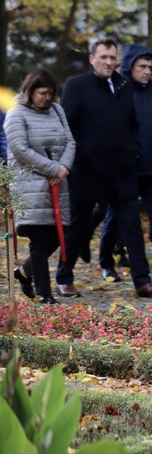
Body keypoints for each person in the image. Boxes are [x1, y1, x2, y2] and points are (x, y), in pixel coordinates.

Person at [57, 37, 152, 299]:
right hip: (87, 170)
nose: (108, 62)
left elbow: (133, 123)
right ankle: (64, 276)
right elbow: (67, 127)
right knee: (79, 226)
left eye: (112, 58)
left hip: (123, 170)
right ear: (92, 59)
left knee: (131, 225)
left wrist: (134, 149)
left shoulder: (124, 85)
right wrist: (77, 157)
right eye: (103, 57)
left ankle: (142, 281)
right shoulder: (76, 86)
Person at [96, 45, 152, 281]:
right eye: (142, 66)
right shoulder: (118, 93)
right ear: (129, 66)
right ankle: (106, 261)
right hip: (126, 170)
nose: (147, 71)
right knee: (116, 218)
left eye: (150, 67)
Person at [5, 70, 75, 304]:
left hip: (57, 182)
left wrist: (62, 166)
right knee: (40, 238)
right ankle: (45, 293)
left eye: (50, 93)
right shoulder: (16, 113)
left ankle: (24, 272)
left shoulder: (57, 110)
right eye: (42, 93)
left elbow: (70, 141)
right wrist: (52, 169)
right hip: (29, 184)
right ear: (30, 90)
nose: (47, 98)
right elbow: (20, 150)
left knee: (59, 235)